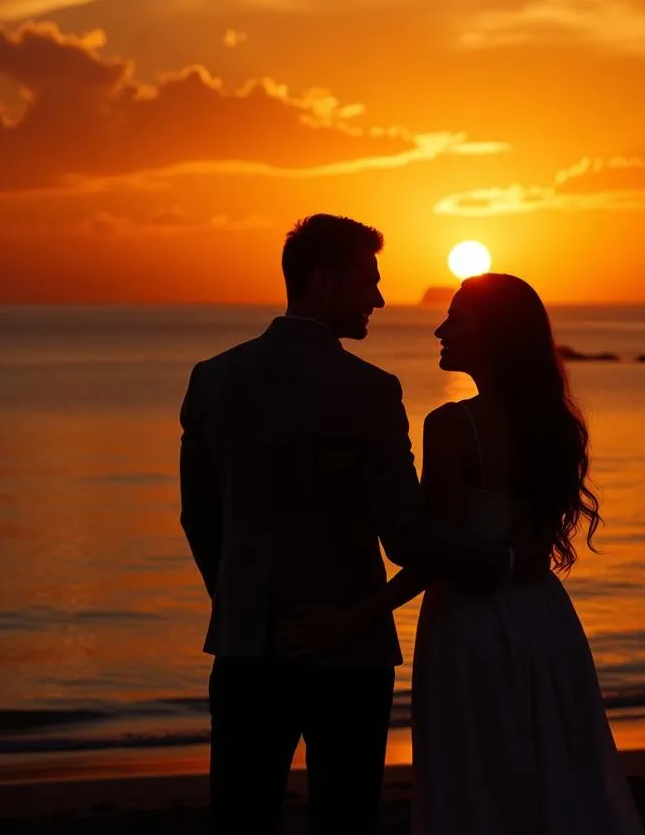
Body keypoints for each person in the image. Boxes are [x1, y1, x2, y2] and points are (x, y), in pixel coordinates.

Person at [179, 214, 516, 834]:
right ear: (325, 281)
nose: (380, 299)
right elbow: (406, 536)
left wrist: (238, 602)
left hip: (245, 645)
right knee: (346, 819)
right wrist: (495, 554)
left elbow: (198, 516)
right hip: (348, 651)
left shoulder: (213, 378)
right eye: (369, 282)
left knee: (239, 816)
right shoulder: (370, 391)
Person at [288, 273, 645, 834]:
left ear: (495, 334)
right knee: (546, 770)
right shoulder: (551, 425)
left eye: (456, 318)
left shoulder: (453, 425)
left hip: (472, 628)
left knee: (478, 778)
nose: (440, 329)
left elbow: (435, 552)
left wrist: (354, 618)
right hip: (545, 620)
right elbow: (524, 545)